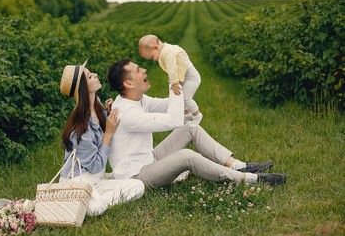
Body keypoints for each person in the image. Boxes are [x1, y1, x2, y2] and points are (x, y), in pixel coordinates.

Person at [106, 58, 286, 189]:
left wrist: (183, 92)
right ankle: (246, 178)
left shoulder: (136, 99)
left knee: (190, 128)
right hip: (137, 175)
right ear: (128, 83)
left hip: (149, 159)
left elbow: (169, 105)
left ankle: (239, 165)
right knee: (186, 156)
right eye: (138, 70)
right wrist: (173, 83)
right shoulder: (128, 113)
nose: (144, 70)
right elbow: (174, 120)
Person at [58, 60, 145, 216]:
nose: (96, 75)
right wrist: (108, 133)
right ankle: (78, 202)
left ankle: (89, 202)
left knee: (138, 186)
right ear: (84, 88)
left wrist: (108, 113)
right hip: (78, 182)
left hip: (97, 180)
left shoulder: (96, 107)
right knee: (95, 209)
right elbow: (95, 166)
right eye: (90, 76)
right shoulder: (80, 129)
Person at [139, 34, 203, 125]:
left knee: (186, 98)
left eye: (152, 57)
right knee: (180, 97)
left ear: (155, 48)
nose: (153, 60)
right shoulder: (166, 51)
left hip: (192, 78)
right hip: (185, 78)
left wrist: (174, 83)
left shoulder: (168, 52)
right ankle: (187, 114)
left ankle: (197, 115)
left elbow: (172, 68)